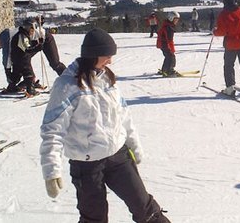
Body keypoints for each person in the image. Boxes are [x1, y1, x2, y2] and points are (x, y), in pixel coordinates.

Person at [40, 28, 170, 223]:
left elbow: (124, 116)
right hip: (87, 165)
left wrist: (134, 145)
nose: (110, 60)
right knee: (94, 218)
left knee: (145, 207)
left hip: (118, 156)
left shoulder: (107, 78)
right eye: (107, 55)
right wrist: (51, 170)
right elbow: (52, 130)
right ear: (93, 54)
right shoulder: (66, 86)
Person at [6, 18, 44, 95]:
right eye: (33, 27)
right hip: (22, 59)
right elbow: (26, 48)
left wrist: (37, 42)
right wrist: (37, 48)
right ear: (28, 27)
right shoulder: (22, 35)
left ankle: (11, 87)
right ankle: (31, 90)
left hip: (17, 58)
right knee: (29, 74)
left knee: (17, 74)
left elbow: (27, 43)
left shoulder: (22, 35)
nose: (33, 30)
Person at [157, 11, 180, 77]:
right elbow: (170, 40)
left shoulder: (168, 25)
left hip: (162, 43)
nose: (176, 21)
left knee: (168, 56)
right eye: (175, 19)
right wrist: (172, 49)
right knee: (171, 56)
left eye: (177, 20)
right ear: (171, 18)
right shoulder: (169, 27)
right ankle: (169, 71)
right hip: (164, 44)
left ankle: (164, 70)